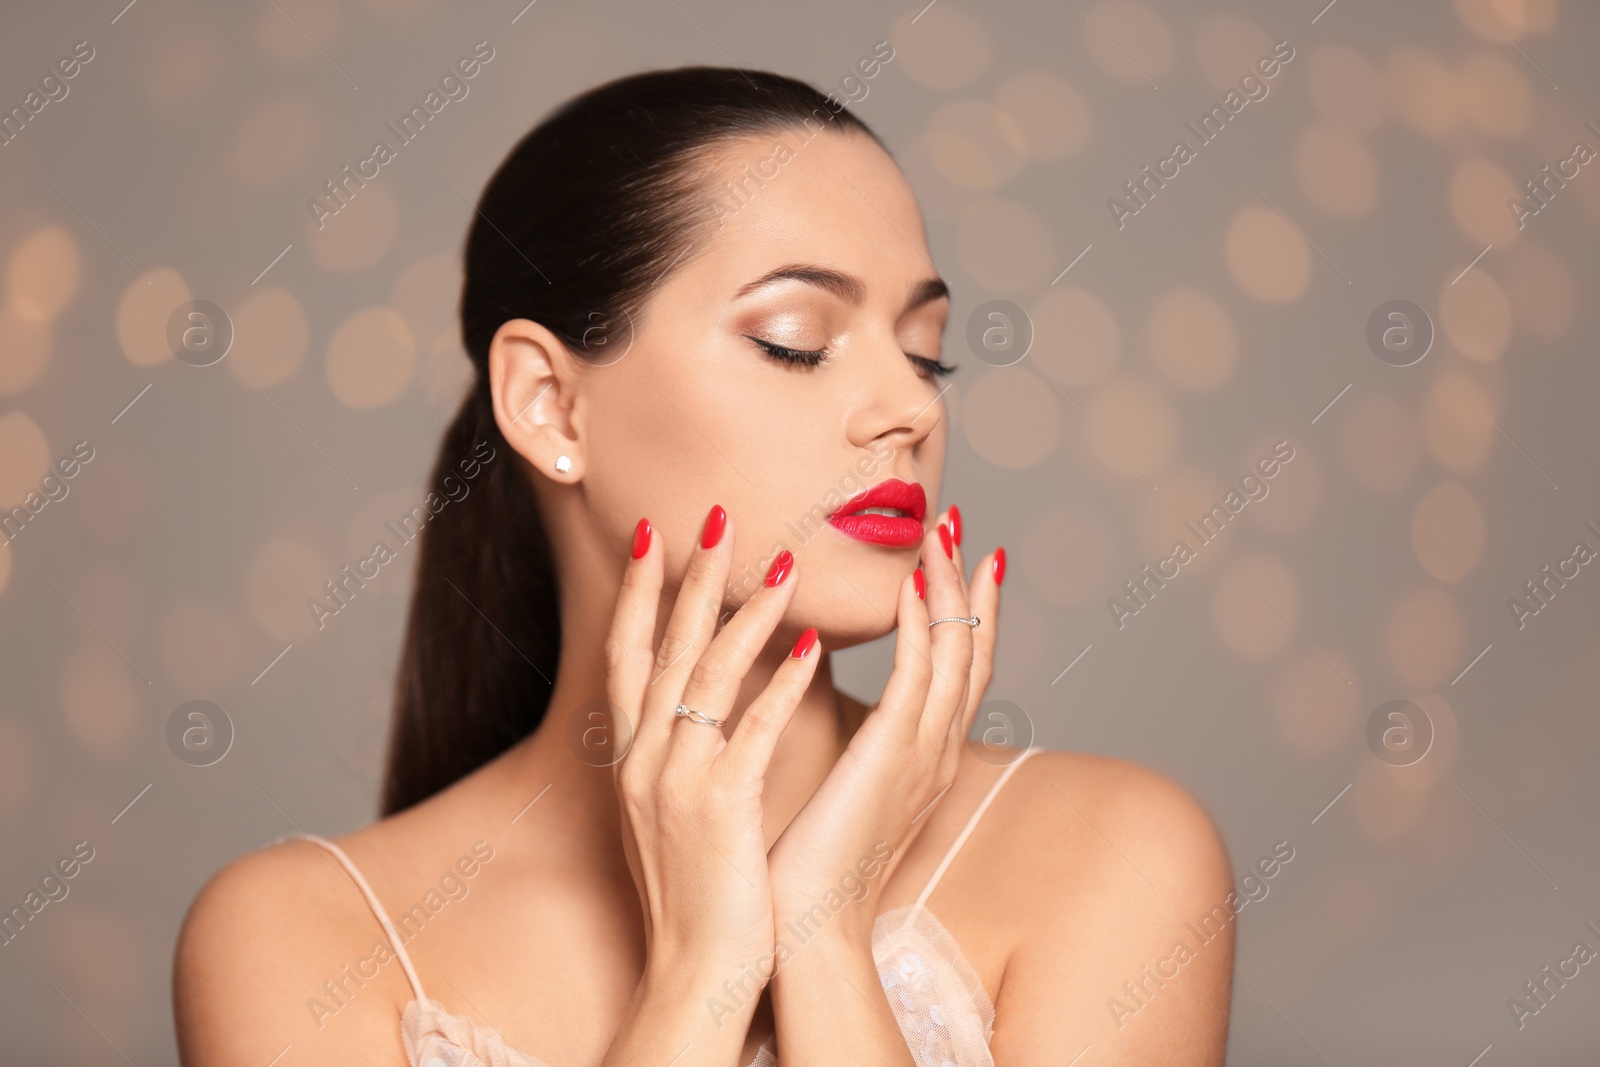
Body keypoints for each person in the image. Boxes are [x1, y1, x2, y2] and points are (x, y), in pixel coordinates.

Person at [173, 67, 1234, 1066]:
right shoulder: (300, 935)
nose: (911, 407)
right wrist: (700, 974)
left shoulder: (1116, 851)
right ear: (550, 403)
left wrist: (821, 928)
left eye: (925, 350)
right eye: (794, 339)